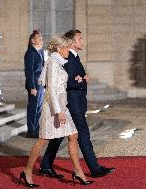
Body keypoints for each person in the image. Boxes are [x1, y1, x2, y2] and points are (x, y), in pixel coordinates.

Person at [40, 30, 115, 178]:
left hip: (76, 102)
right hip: (72, 103)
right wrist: (80, 80)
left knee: (60, 135)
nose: (82, 41)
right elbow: (64, 82)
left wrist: (82, 78)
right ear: (72, 42)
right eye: (80, 39)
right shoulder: (67, 58)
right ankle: (95, 169)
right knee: (83, 134)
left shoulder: (74, 57)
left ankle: (46, 165)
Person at [19, 36, 93, 188]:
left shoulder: (59, 62)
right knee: (43, 140)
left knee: (73, 135)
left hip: (61, 106)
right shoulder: (53, 62)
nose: (69, 50)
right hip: (53, 108)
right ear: (59, 49)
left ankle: (78, 171)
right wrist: (58, 111)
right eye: (67, 47)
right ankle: (27, 172)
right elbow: (51, 89)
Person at [24, 30, 45, 138]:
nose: (41, 39)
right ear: (33, 40)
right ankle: (31, 132)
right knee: (33, 108)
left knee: (39, 109)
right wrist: (32, 87)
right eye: (39, 38)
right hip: (34, 85)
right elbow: (29, 72)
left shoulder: (40, 52)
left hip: (41, 84)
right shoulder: (30, 53)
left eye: (41, 38)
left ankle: (37, 129)